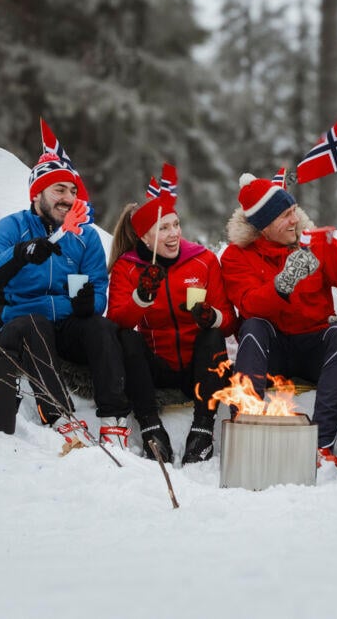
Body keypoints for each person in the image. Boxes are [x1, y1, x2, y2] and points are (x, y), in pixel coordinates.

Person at [0, 120, 144, 453]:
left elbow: (97, 290)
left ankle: (114, 419)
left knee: (100, 326)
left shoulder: (85, 236)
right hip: (20, 327)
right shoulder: (13, 227)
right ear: (37, 193)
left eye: (73, 191)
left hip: (65, 329)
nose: (68, 198)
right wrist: (21, 254)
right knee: (34, 324)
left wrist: (85, 305)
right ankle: (58, 413)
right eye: (59, 190)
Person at [220, 173, 337, 470]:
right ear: (263, 227)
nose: (294, 220)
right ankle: (245, 430)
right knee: (252, 326)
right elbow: (249, 303)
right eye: (284, 216)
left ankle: (322, 445)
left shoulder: (318, 244)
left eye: (293, 211)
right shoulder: (236, 256)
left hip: (314, 346)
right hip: (271, 353)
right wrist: (282, 284)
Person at [107, 173, 238, 464]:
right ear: (144, 236)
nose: (174, 233)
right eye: (163, 228)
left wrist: (211, 316)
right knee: (128, 337)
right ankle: (151, 427)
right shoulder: (127, 268)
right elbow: (116, 321)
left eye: (176, 225)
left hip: (199, 367)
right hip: (157, 366)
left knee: (213, 334)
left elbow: (229, 321)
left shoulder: (203, 260)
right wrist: (141, 297)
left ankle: (203, 430)